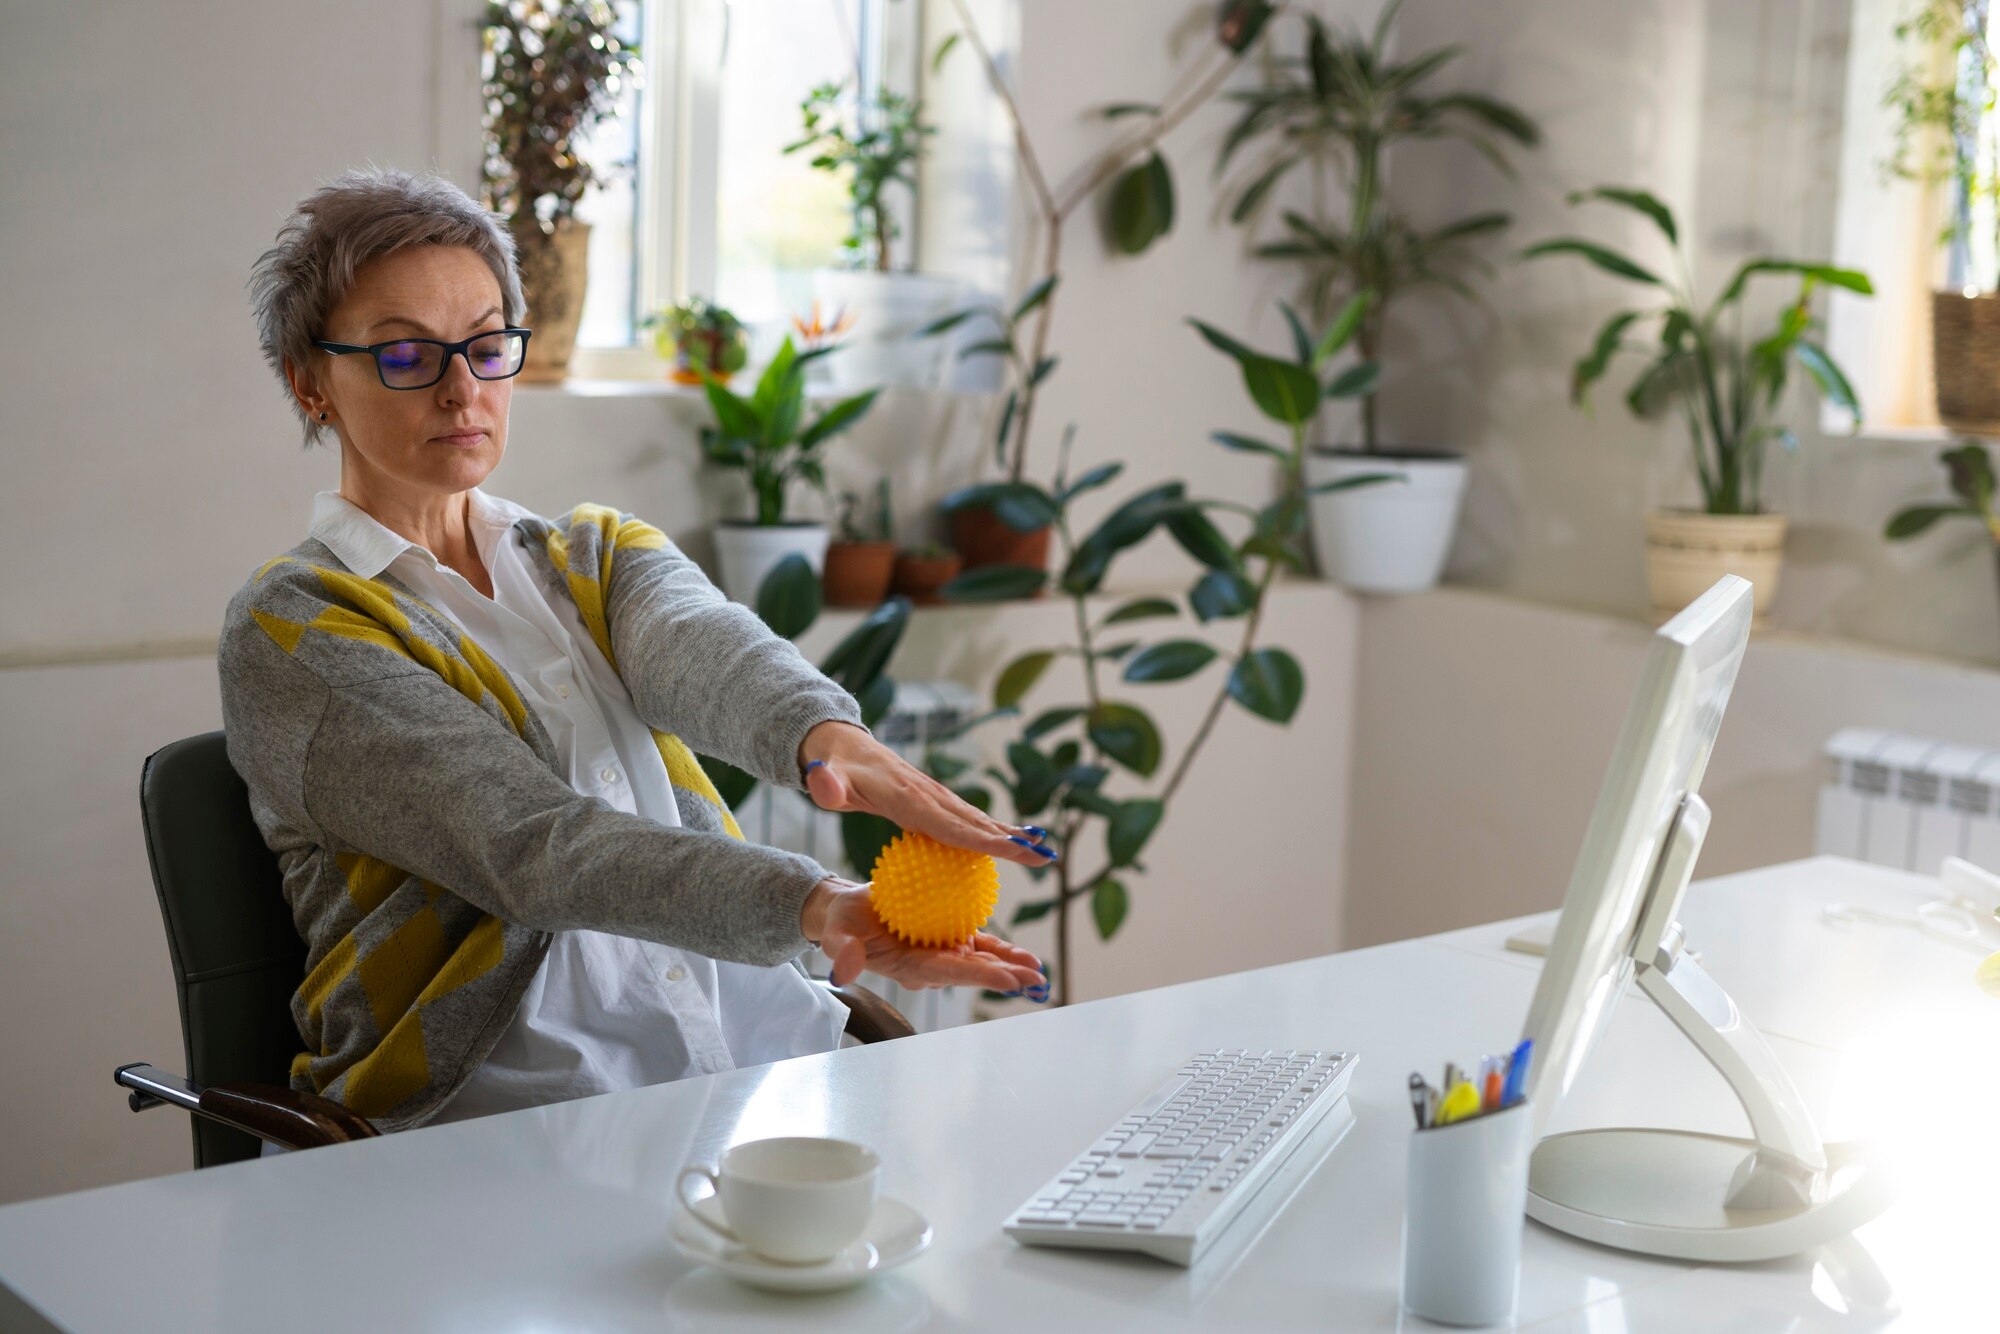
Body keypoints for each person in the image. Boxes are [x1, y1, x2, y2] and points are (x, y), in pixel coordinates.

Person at [221, 167, 1050, 1136]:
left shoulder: (592, 555)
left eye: (488, 346)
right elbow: (532, 847)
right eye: (406, 353)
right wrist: (818, 904)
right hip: (511, 1116)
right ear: (309, 383)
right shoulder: (292, 630)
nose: (463, 388)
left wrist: (835, 742)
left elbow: (707, 651)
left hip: (757, 1064)